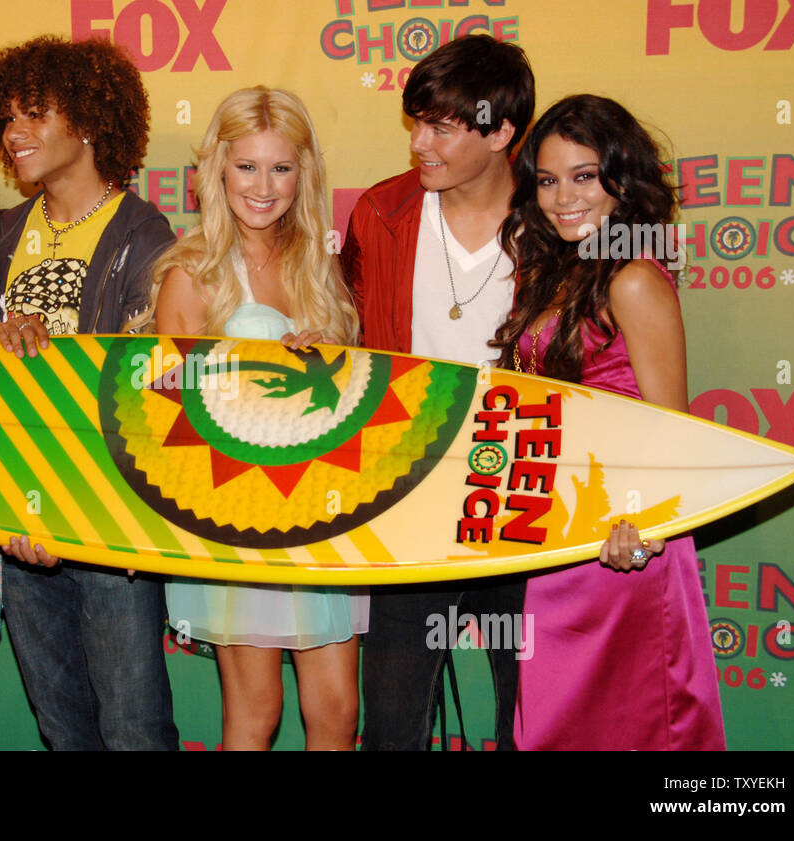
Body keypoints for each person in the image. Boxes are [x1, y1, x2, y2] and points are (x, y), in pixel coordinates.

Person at [0, 35, 178, 750]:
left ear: (87, 120)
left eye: (34, 115)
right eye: (7, 118)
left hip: (103, 514)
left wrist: (71, 514)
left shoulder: (144, 236)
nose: (13, 133)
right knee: (64, 731)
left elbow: (142, 391)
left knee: (133, 728)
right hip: (14, 512)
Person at [489, 94, 726, 749]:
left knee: (637, 725)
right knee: (559, 728)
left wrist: (640, 528)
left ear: (622, 181)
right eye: (547, 179)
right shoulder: (555, 273)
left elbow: (674, 431)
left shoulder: (632, 279)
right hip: (563, 539)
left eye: (584, 176)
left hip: (626, 544)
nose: (564, 196)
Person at [132, 86, 363, 750]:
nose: (264, 186)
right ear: (219, 170)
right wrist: (260, 380)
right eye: (247, 167)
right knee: (255, 713)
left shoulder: (319, 265)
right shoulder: (192, 274)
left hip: (322, 509)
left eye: (282, 168)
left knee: (338, 713)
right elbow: (169, 420)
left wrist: (319, 369)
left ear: (304, 172)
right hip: (237, 512)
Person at [341, 34, 535, 750]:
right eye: (415, 122)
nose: (419, 143)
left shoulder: (555, 224)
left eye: (442, 127)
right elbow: (348, 336)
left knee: (532, 713)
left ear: (501, 131)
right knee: (392, 721)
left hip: (531, 499)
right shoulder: (382, 211)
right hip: (411, 493)